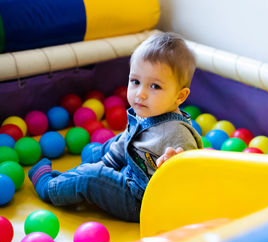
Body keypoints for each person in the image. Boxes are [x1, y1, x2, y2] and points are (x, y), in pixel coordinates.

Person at [28, 32, 203, 221]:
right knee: (100, 150)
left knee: (91, 177)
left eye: (155, 87)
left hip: (142, 199)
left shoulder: (178, 134)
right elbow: (129, 140)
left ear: (180, 96)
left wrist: (177, 166)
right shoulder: (151, 110)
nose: (140, 94)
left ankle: (50, 188)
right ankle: (89, 170)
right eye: (135, 82)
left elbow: (191, 180)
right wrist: (105, 162)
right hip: (131, 170)